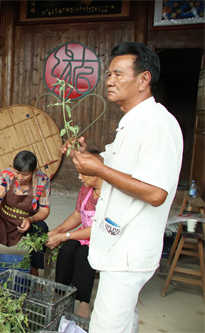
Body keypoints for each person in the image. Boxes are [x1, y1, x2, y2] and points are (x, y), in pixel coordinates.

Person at [61, 42, 183, 332]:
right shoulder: (132, 121)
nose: (109, 80)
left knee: (106, 325)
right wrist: (89, 155)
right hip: (117, 243)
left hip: (130, 248)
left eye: (118, 73)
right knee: (123, 320)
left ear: (144, 80)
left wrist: (99, 169)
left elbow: (155, 193)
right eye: (108, 74)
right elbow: (118, 166)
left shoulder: (157, 124)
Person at [0, 150, 50, 276]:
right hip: (2, 218)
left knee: (41, 228)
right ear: (12, 167)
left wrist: (30, 220)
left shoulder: (42, 181)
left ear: (34, 171)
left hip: (24, 223)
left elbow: (44, 211)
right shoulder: (6, 177)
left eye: (25, 174)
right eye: (17, 172)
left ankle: (34, 269)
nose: (19, 177)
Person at [46, 151, 103, 318]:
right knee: (67, 249)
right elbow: (77, 215)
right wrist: (58, 231)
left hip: (102, 238)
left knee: (83, 254)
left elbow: (98, 228)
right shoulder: (86, 190)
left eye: (83, 173)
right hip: (84, 235)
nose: (79, 177)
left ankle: (84, 301)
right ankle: (60, 292)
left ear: (98, 172)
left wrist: (65, 235)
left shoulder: (109, 195)